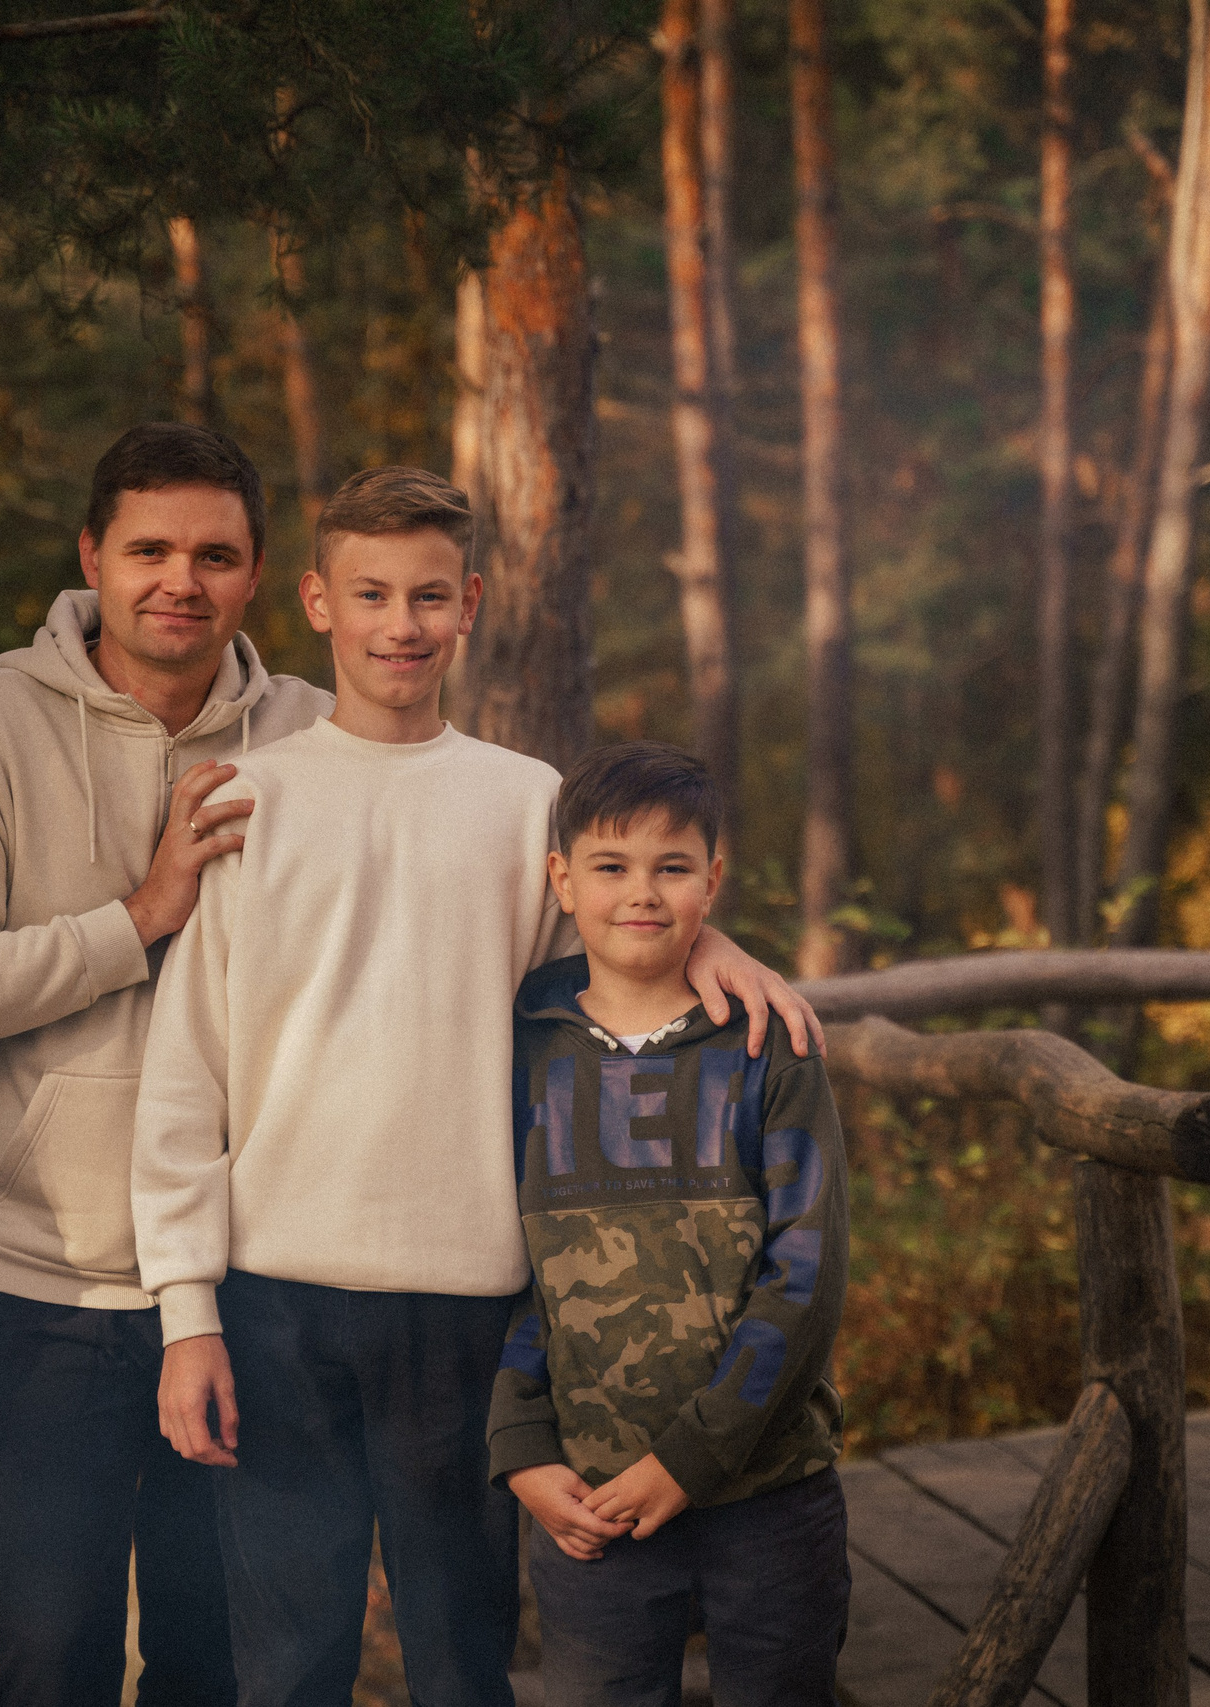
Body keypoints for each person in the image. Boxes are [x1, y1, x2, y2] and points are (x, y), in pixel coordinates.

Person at [132, 466, 823, 1707]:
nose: (402, 623)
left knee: (464, 1660)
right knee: (288, 1665)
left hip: (474, 1307)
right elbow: (186, 1075)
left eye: (429, 596)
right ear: (317, 605)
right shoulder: (253, 800)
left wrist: (708, 941)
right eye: (373, 594)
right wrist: (186, 1312)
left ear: (472, 606)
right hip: (277, 1300)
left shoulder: (527, 804)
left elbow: (617, 942)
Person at [0, 423, 334, 1707]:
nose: (179, 579)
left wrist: (703, 935)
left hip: (248, 1282)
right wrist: (139, 916)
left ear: (254, 574)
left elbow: (496, 863)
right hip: (40, 1285)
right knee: (55, 1656)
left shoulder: (317, 738)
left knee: (212, 1655)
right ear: (91, 556)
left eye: (214, 554)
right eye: (149, 549)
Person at [491, 741, 851, 1707]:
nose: (640, 893)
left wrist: (686, 1463)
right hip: (590, 1502)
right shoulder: (522, 1041)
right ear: (562, 880)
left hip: (768, 1498)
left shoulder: (770, 1045)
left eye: (672, 867)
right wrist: (520, 1444)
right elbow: (505, 1262)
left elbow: (805, 1276)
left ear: (712, 881)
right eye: (610, 866)